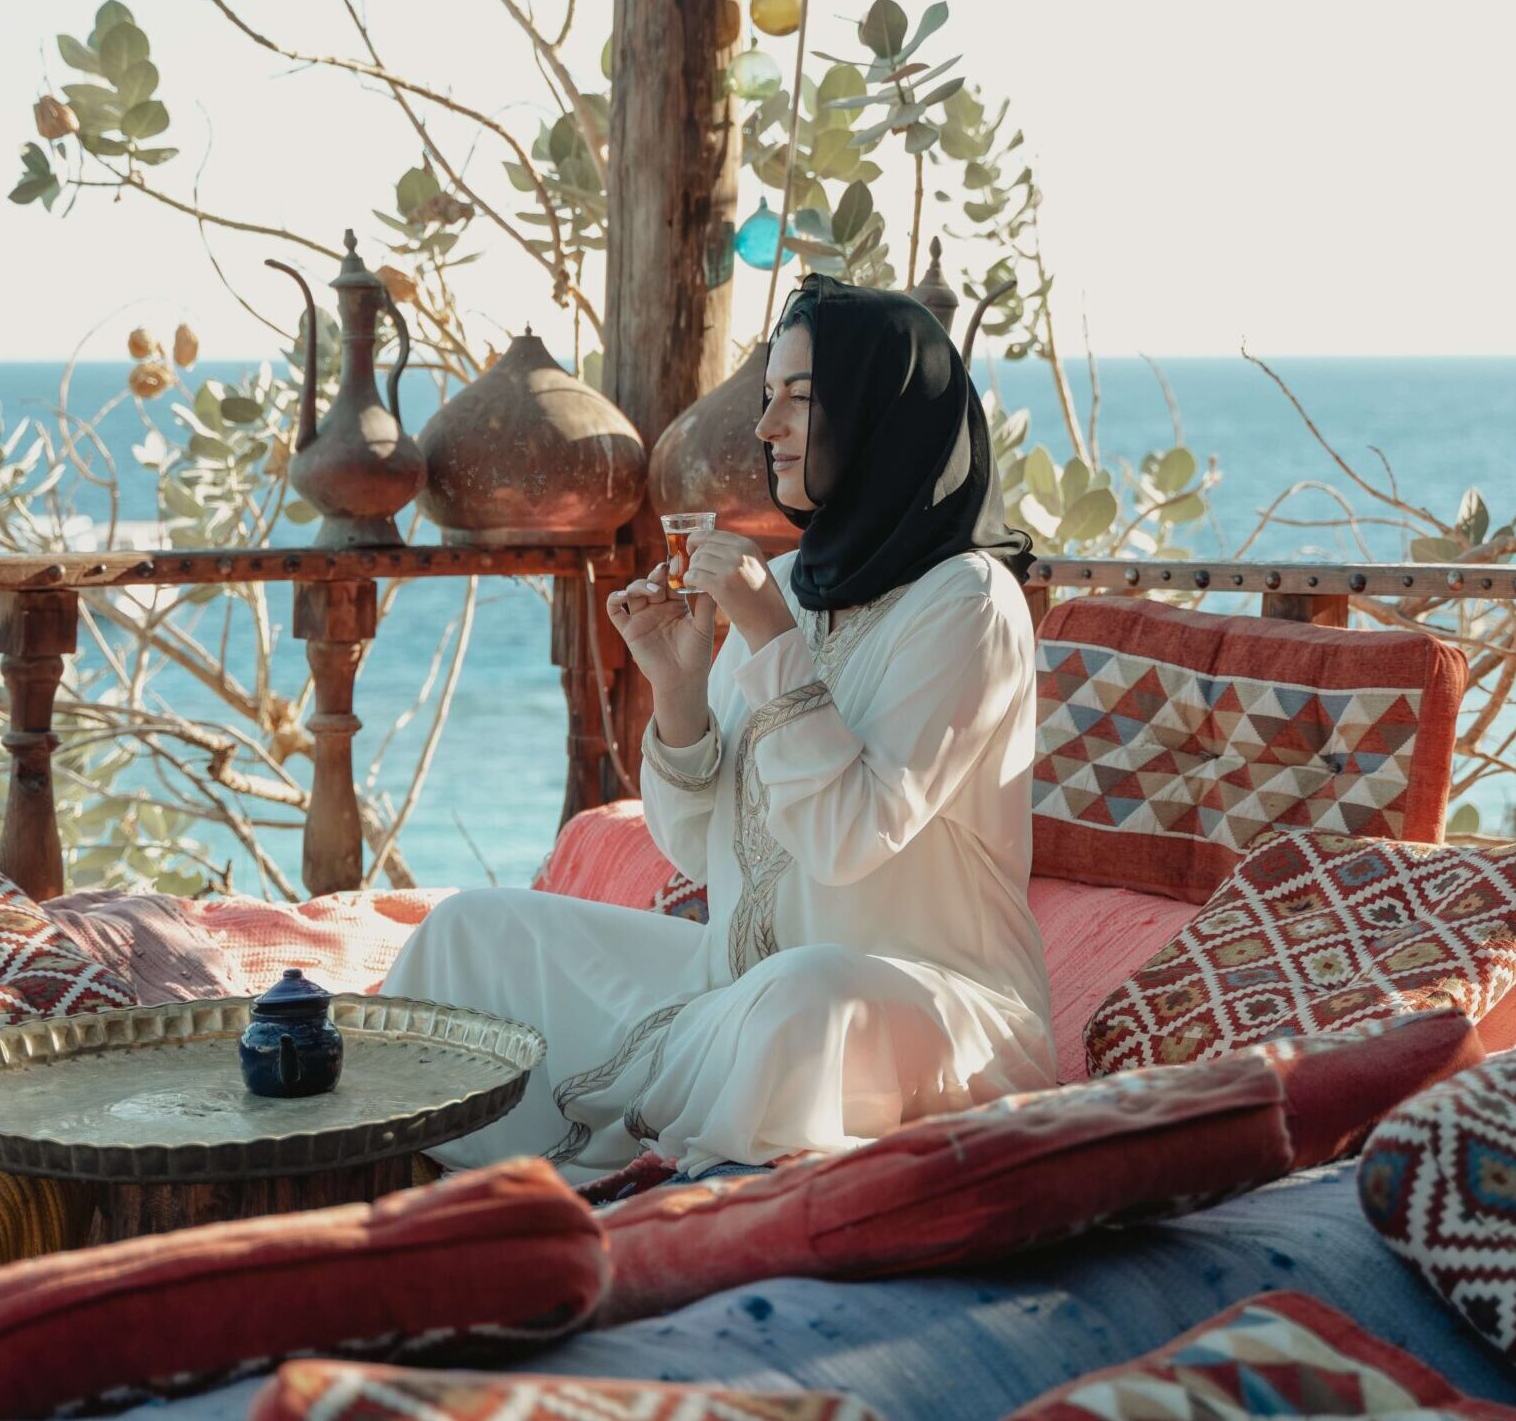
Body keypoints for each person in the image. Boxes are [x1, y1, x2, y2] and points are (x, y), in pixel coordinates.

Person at [380, 275, 1052, 1182]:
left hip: (924, 1014)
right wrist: (682, 689)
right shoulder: (801, 588)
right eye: (766, 398)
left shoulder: (969, 603)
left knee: (806, 1006)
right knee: (468, 935)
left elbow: (845, 838)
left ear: (879, 417)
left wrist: (767, 633)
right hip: (730, 987)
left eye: (799, 401)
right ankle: (420, 1162)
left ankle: (635, 1170)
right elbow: (698, 848)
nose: (765, 427)